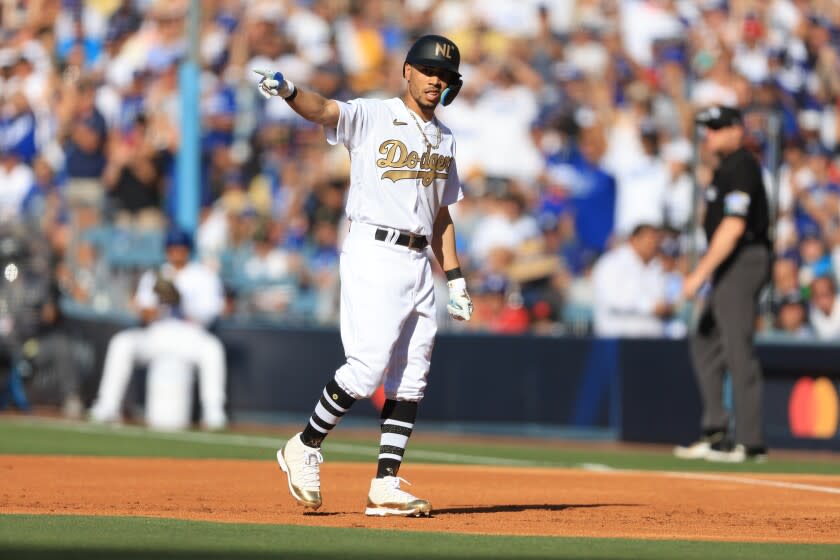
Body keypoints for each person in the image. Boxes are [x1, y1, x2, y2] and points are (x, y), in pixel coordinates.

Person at [255, 33, 472, 517]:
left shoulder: (445, 138)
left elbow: (440, 217)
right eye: (429, 71)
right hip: (375, 248)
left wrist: (455, 278)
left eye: (446, 76)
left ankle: (386, 484)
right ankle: (305, 445)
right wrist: (291, 91)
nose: (437, 80)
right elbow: (324, 111)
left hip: (419, 261)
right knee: (367, 365)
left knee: (412, 377)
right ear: (407, 71)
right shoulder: (374, 115)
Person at [675, 106, 770, 463]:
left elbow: (733, 227)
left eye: (717, 128)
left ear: (736, 130)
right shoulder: (723, 170)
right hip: (728, 264)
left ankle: (750, 442)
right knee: (705, 338)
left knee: (736, 345)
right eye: (706, 129)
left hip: (744, 260)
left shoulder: (742, 164)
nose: (709, 135)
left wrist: (700, 275)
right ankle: (715, 431)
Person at [89, 228, 228, 430]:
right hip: (158, 332)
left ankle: (213, 411)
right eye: (172, 248)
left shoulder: (203, 275)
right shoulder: (156, 275)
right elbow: (142, 311)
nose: (176, 252)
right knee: (122, 342)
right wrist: (158, 306)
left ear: (188, 250)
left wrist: (182, 302)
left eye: (180, 248)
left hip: (189, 334)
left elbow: (211, 313)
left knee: (212, 349)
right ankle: (107, 405)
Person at [591, 224, 672, 338]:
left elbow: (664, 298)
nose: (653, 244)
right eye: (649, 239)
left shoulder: (657, 266)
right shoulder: (611, 263)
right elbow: (613, 299)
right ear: (633, 239)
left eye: (656, 240)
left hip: (652, 341)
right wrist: (650, 307)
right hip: (618, 341)